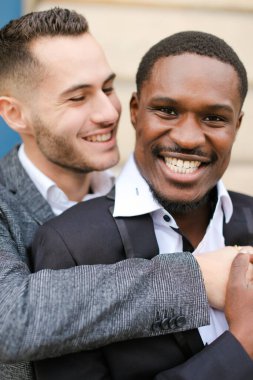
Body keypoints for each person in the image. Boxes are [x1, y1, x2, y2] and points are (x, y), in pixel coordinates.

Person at [0, 8, 241, 380]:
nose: (108, 113)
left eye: (108, 88)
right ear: (15, 115)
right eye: (78, 98)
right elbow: (9, 319)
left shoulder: (150, 194)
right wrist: (195, 278)